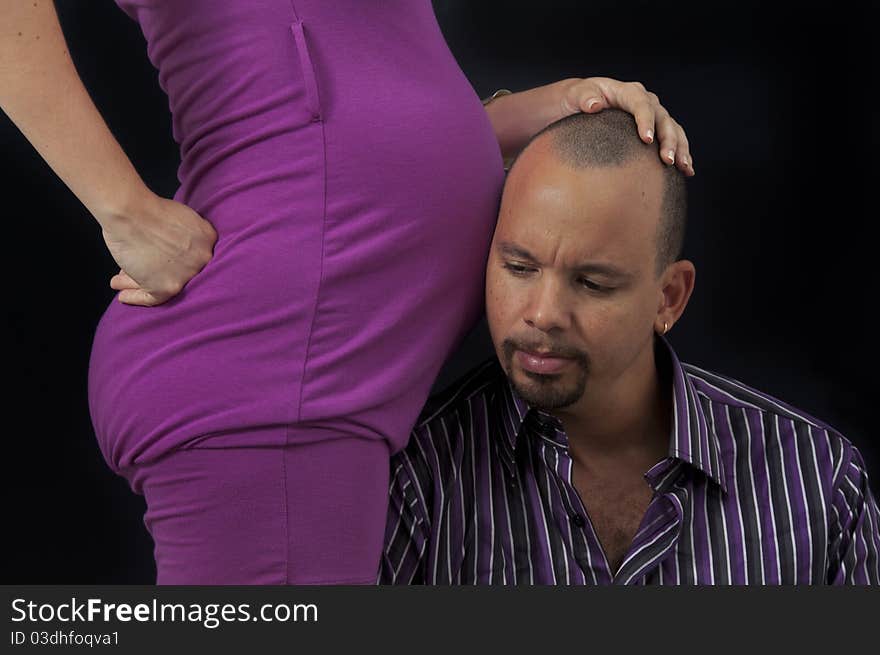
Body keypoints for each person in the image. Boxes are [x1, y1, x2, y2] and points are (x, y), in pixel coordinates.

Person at [0, 1, 692, 584]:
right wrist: (125, 212)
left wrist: (540, 111)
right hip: (274, 374)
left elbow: (333, 115)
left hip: (311, 378)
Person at [378, 108, 880, 585]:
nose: (543, 313)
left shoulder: (815, 479)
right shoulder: (417, 478)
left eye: (592, 283)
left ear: (669, 298)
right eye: (520, 268)